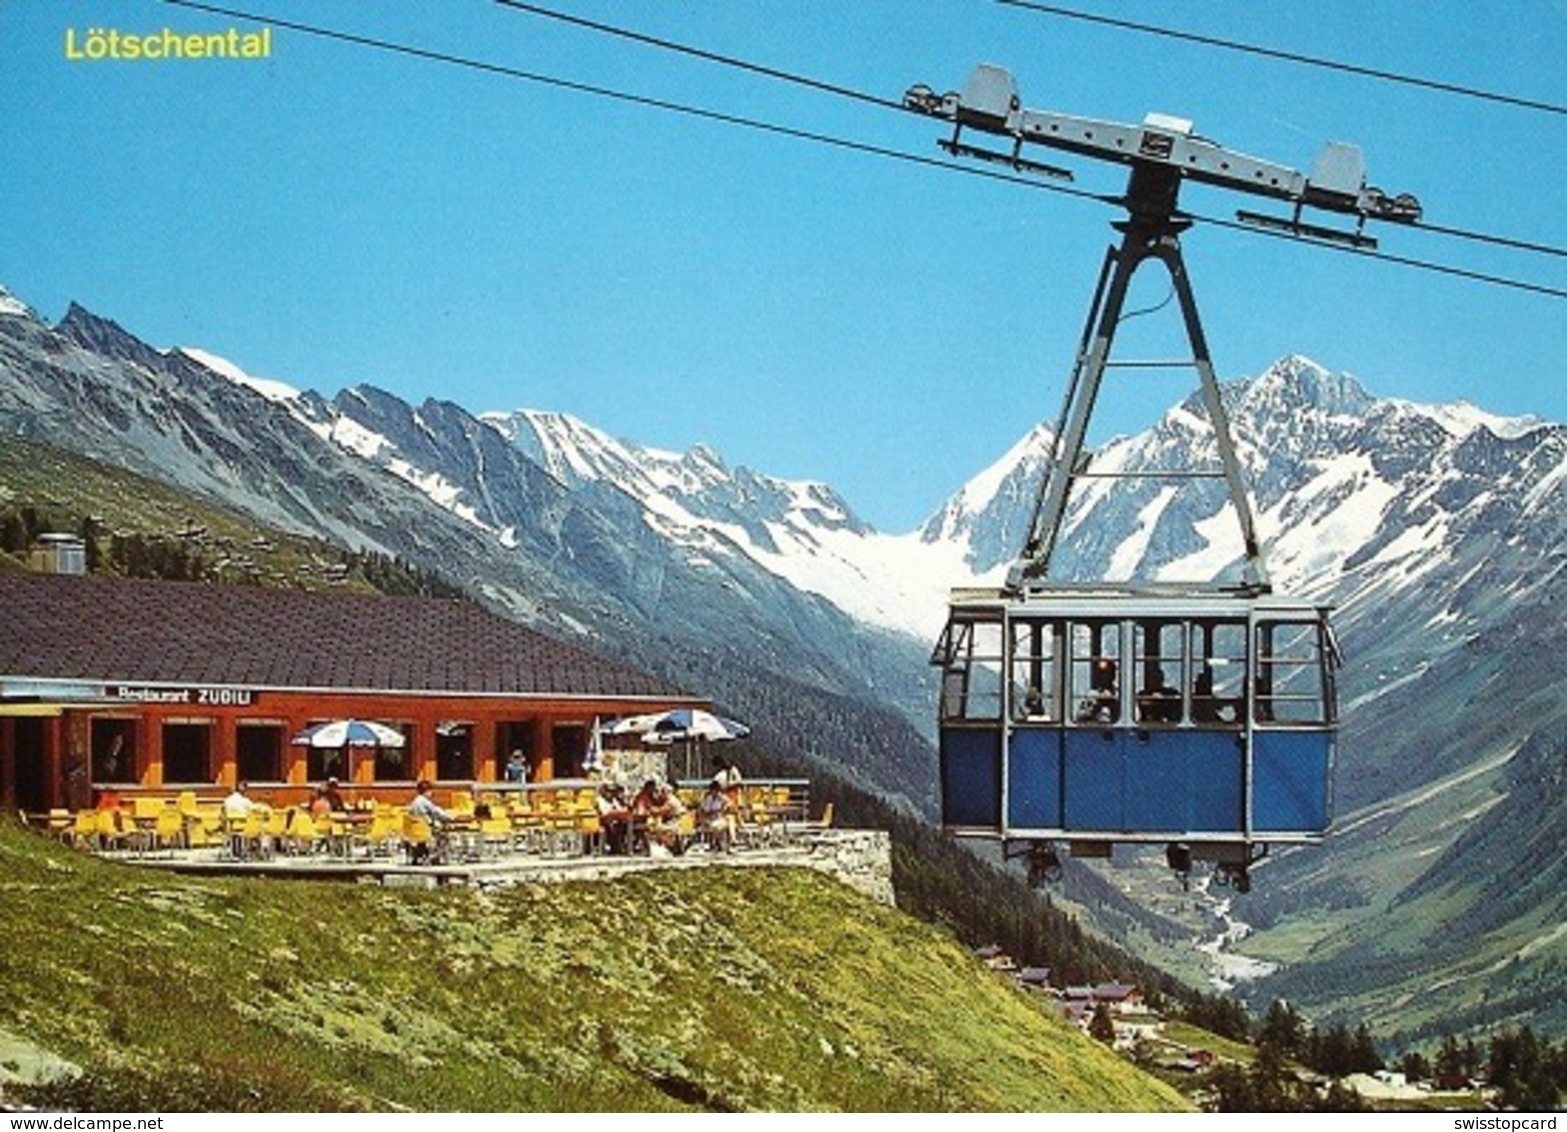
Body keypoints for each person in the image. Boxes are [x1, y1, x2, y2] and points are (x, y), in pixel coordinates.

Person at [407, 779, 453, 864]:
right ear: (427, 791)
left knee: (423, 839)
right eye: (430, 791)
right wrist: (449, 817)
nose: (431, 793)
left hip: (414, 832)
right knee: (444, 838)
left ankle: (419, 855)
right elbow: (436, 812)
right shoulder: (425, 802)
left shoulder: (414, 802)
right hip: (426, 830)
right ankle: (433, 857)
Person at [1075, 658, 1119, 724]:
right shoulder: (1091, 695)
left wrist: (1112, 702)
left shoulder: (1119, 695)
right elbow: (1079, 716)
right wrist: (1096, 707)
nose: (1104, 677)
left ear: (1113, 676)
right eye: (1101, 674)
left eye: (1108, 674)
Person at [698, 779, 735, 853]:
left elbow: (730, 805)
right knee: (714, 826)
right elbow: (704, 810)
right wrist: (714, 812)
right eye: (713, 790)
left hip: (720, 819)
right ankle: (717, 844)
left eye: (717, 790)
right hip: (710, 819)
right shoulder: (708, 799)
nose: (715, 792)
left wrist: (725, 807)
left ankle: (729, 842)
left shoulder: (722, 798)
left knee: (728, 820)